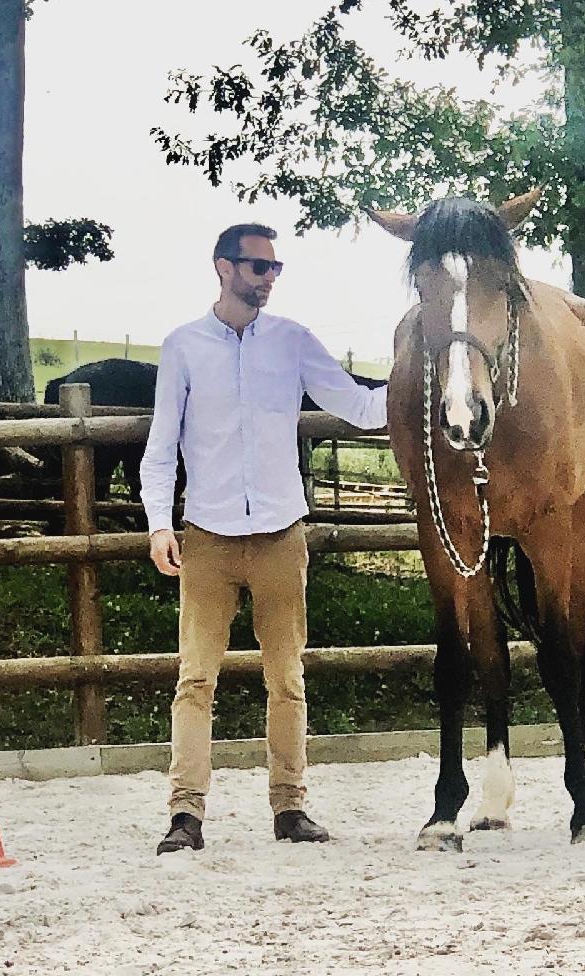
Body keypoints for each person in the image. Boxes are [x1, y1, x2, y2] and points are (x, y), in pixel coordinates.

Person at [140, 223, 388, 854]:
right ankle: (185, 815)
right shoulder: (183, 346)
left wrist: (427, 381)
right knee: (195, 679)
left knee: (288, 676)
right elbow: (161, 444)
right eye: (259, 267)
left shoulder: (293, 340)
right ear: (224, 268)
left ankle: (290, 807)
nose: (270, 278)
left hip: (281, 532)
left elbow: (358, 408)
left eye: (276, 268)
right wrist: (158, 523)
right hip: (209, 536)